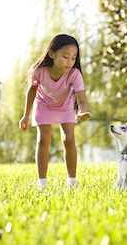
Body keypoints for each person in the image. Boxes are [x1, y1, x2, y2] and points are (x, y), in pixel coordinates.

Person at [19, 34, 92, 189]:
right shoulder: (39, 71)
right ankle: (42, 183)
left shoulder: (74, 74)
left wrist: (82, 112)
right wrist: (26, 115)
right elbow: (31, 91)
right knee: (43, 139)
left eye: (73, 58)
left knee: (69, 139)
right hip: (43, 104)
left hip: (65, 106)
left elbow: (83, 100)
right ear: (52, 54)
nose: (70, 61)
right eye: (65, 57)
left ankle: (72, 181)